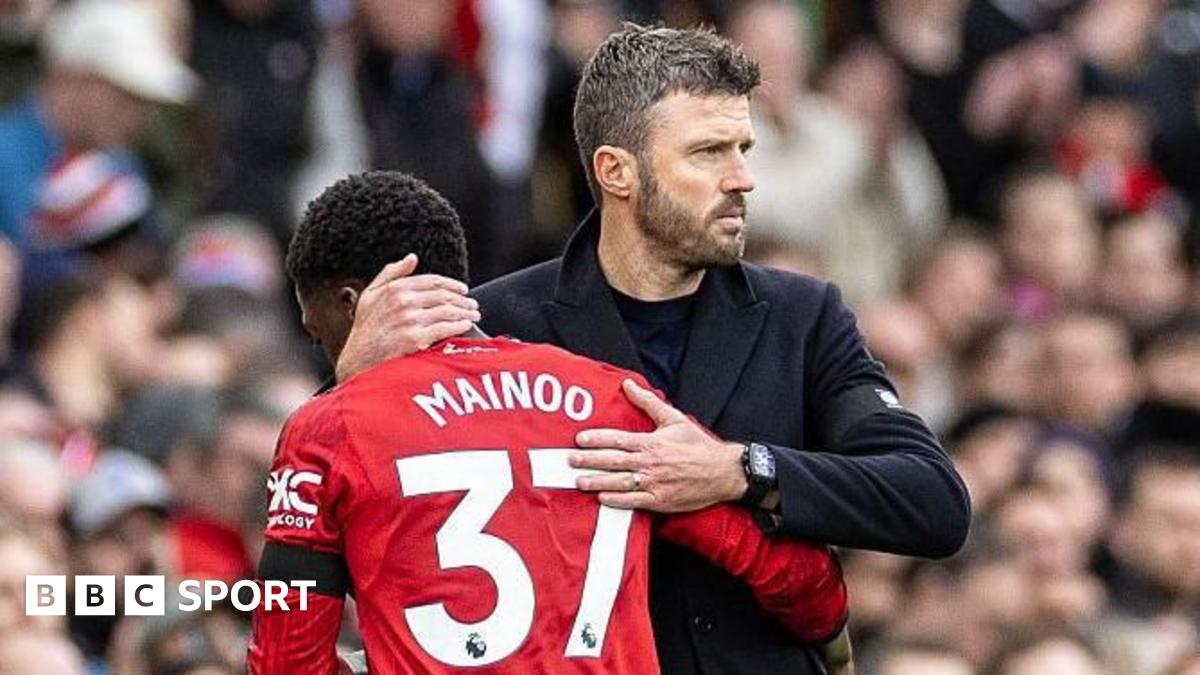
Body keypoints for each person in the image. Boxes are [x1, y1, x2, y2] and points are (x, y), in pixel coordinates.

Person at [337, 24, 969, 674]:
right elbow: (330, 517)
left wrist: (739, 470)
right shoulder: (494, 323)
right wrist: (352, 384)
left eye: (744, 147)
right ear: (616, 171)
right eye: (709, 152)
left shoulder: (803, 316)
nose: (744, 178)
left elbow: (932, 501)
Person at [248, 171, 851, 673]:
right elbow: (784, 570)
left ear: (352, 304)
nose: (319, 346)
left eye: (314, 328)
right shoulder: (616, 396)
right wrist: (830, 634)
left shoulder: (328, 429)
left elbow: (286, 659)